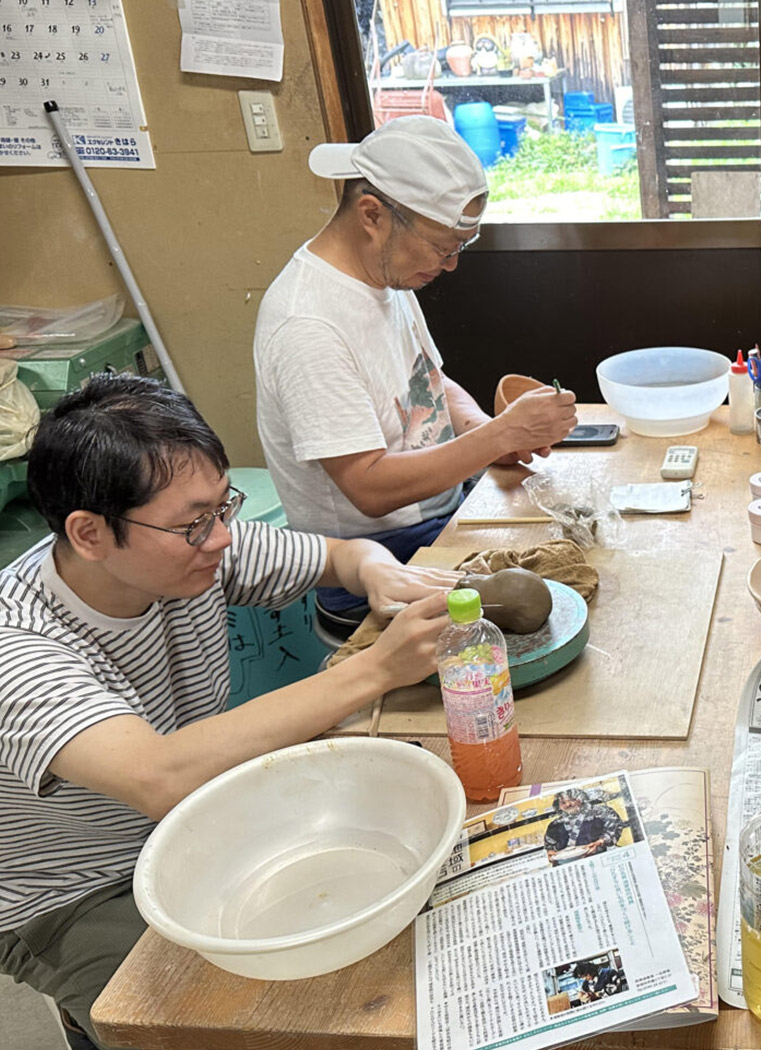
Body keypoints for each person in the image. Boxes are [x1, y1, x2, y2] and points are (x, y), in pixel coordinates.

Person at [0, 374, 458, 1049]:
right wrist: (378, 668)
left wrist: (375, 572)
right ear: (89, 533)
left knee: (405, 932)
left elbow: (339, 556)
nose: (220, 538)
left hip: (207, 816)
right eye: (194, 522)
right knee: (208, 1025)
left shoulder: (194, 552)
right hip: (78, 890)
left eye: (224, 507)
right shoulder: (18, 646)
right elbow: (158, 777)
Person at [254, 115, 578, 636]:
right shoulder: (307, 325)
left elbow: (430, 382)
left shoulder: (385, 278)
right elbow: (369, 487)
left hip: (439, 520)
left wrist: (481, 434)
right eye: (442, 247)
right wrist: (504, 432)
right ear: (372, 214)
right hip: (374, 570)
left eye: (459, 248)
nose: (450, 266)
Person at [544, 788, 626, 863]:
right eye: (563, 802)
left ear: (581, 799)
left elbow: (615, 827)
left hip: (602, 857)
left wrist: (600, 842)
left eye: (572, 799)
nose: (568, 804)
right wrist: (550, 852)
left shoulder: (601, 812)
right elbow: (550, 844)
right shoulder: (555, 824)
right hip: (572, 862)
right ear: (558, 806)